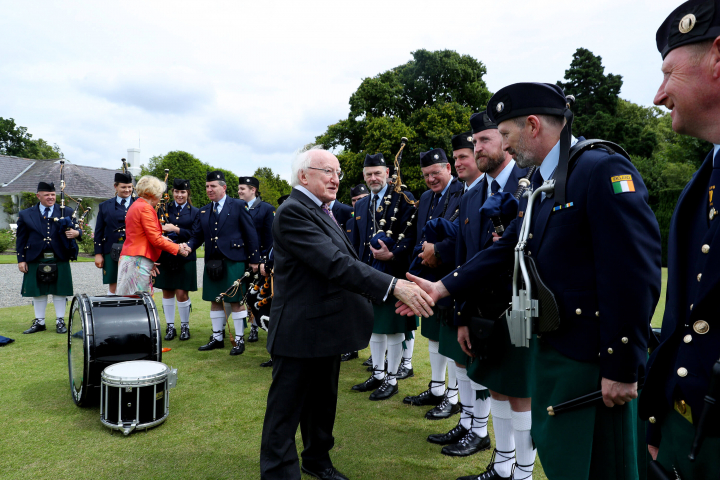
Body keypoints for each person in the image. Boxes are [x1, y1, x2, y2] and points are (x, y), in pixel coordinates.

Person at [403, 83, 661, 480]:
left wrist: (623, 366)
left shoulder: (598, 168)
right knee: (562, 459)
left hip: (591, 361)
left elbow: (633, 270)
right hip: (556, 347)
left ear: (533, 125)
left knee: (598, 463)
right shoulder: (543, 181)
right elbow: (507, 246)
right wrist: (442, 288)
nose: (505, 147)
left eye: (505, 134)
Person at [259, 145, 434, 480]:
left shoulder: (319, 209)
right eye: (328, 171)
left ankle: (316, 460)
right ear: (304, 175)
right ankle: (280, 473)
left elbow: (346, 263)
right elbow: (337, 265)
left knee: (321, 405)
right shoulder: (294, 211)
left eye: (338, 172)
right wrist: (394, 286)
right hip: (298, 330)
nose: (336, 178)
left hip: (324, 326)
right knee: (286, 410)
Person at [639, 3, 720, 478]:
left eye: (669, 72)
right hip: (683, 431)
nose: (658, 95)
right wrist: (659, 422)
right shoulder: (702, 183)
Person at [449, 112, 535, 469]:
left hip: (521, 307)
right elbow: (466, 258)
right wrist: (463, 315)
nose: (478, 147)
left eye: (486, 139)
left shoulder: (530, 182)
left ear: (505, 141)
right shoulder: (472, 196)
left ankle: (524, 474)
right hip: (483, 311)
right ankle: (501, 466)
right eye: (476, 142)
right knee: (497, 388)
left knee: (520, 393)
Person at [350, 152, 417, 401]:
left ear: (388, 173)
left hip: (395, 274)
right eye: (368, 174)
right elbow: (356, 242)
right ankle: (378, 374)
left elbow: (412, 238)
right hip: (368, 275)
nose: (373, 178)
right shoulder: (361, 204)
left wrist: (392, 256)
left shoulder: (404, 199)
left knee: (393, 328)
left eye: (377, 173)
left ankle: (391, 379)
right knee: (375, 328)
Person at [403, 146, 464, 421]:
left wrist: (435, 253)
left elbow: (460, 237)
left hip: (449, 277)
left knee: (450, 341)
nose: (430, 179)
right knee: (433, 336)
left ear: (448, 168)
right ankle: (437, 388)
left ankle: (452, 397)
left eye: (436, 173)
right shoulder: (426, 197)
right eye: (426, 174)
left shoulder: (464, 190)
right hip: (426, 277)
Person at [187, 171, 260, 355]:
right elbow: (197, 237)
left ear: (224, 187)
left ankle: (239, 340)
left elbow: (251, 234)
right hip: (213, 262)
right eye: (207, 186)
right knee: (215, 300)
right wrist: (187, 247)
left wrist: (254, 260)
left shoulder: (238, 205)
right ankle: (217, 338)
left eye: (213, 186)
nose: (209, 190)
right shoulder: (204, 211)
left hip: (234, 260)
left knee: (236, 301)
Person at [16, 181, 82, 334]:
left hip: (59, 255)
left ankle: (60, 321)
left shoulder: (66, 211)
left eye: (53, 194)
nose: (51, 197)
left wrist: (77, 233)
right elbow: (21, 239)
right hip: (35, 256)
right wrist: (21, 259)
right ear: (38, 196)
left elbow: (78, 230)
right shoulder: (26, 214)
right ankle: (40, 322)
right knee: (38, 291)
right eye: (47, 195)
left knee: (60, 291)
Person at [115, 176, 189, 295]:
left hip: (134, 257)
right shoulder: (145, 208)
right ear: (153, 194)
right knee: (136, 301)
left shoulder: (136, 205)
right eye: (160, 194)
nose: (160, 197)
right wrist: (178, 248)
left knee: (130, 298)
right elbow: (156, 240)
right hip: (137, 260)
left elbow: (141, 235)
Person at [154, 178, 200, 341]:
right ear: (172, 192)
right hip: (166, 254)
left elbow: (196, 235)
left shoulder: (195, 212)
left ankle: (185, 326)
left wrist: (176, 229)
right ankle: (170, 326)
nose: (179, 195)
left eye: (183, 192)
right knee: (167, 292)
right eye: (176, 192)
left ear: (188, 193)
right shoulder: (162, 208)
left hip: (185, 256)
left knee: (182, 293)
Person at [238, 176, 276, 343]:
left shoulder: (267, 209)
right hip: (241, 258)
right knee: (242, 294)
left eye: (242, 189)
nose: (239, 192)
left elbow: (270, 237)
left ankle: (254, 327)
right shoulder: (238, 208)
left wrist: (263, 260)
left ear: (253, 190)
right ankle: (243, 328)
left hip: (259, 260)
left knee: (256, 294)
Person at [341, 184, 371, 363]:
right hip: (355, 272)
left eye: (361, 199)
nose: (358, 203)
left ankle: (379, 357)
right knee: (352, 312)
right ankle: (352, 348)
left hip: (373, 271)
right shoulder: (351, 222)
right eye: (354, 200)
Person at [94, 172, 135, 294]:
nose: (127, 190)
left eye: (130, 187)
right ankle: (113, 310)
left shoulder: (140, 204)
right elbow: (99, 231)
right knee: (113, 284)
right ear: (115, 186)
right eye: (123, 187)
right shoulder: (104, 206)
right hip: (111, 249)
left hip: (133, 249)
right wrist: (98, 253)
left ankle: (130, 311)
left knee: (132, 284)